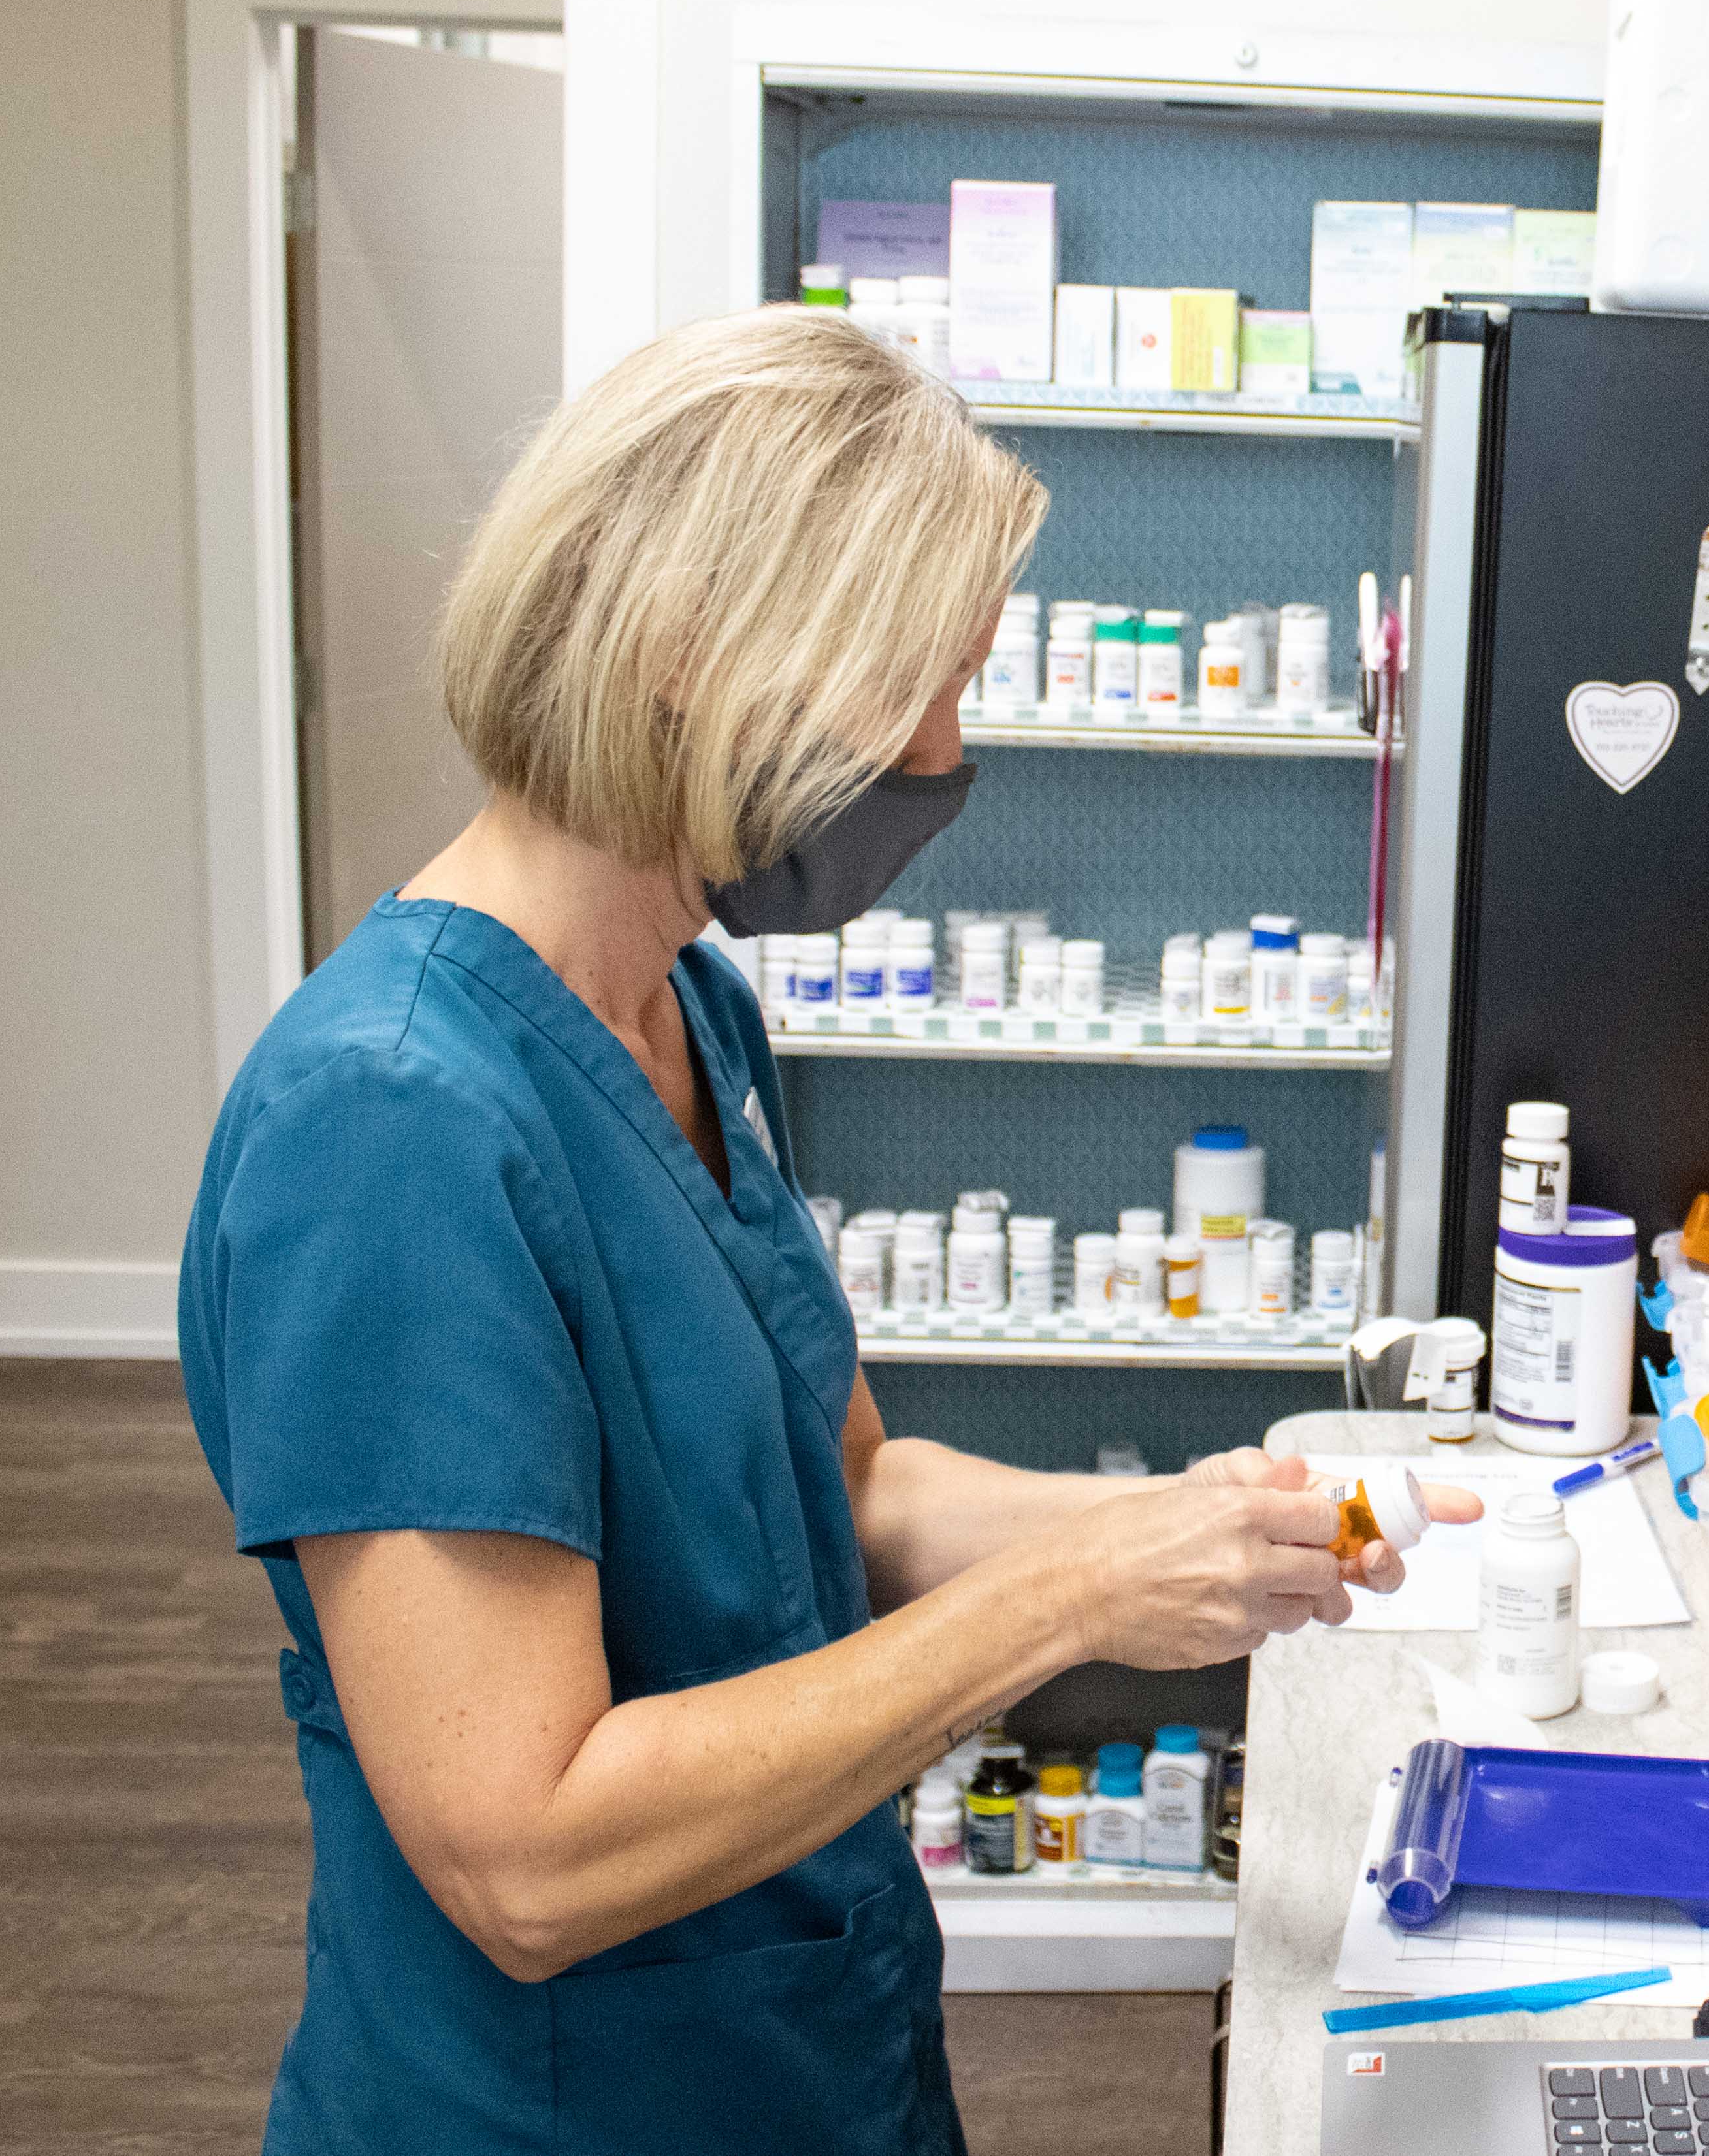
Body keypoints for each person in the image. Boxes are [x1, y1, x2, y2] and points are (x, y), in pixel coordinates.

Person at [176, 308, 1472, 2152]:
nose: (951, 753)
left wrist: (1216, 1521)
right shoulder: (387, 1127)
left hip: (804, 2049)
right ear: (702, 657)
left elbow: (847, 1496)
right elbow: (523, 1847)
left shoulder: (686, 1010)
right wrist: (1078, 1596)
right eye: (919, 688)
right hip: (565, 2110)